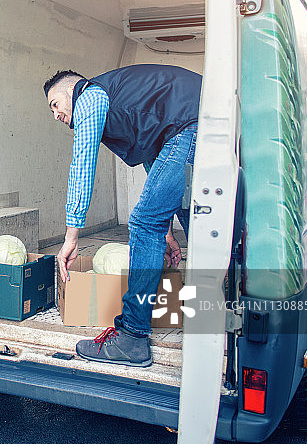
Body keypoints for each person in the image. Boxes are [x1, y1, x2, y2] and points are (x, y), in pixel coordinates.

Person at [43, 64, 201, 367]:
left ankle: (132, 338)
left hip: (190, 125)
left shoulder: (89, 95)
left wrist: (71, 235)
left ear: (71, 89)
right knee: (200, 221)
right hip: (202, 123)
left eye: (56, 105)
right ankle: (219, 315)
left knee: (142, 223)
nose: (56, 116)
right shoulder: (132, 102)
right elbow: (156, 158)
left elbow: (82, 164)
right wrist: (165, 231)